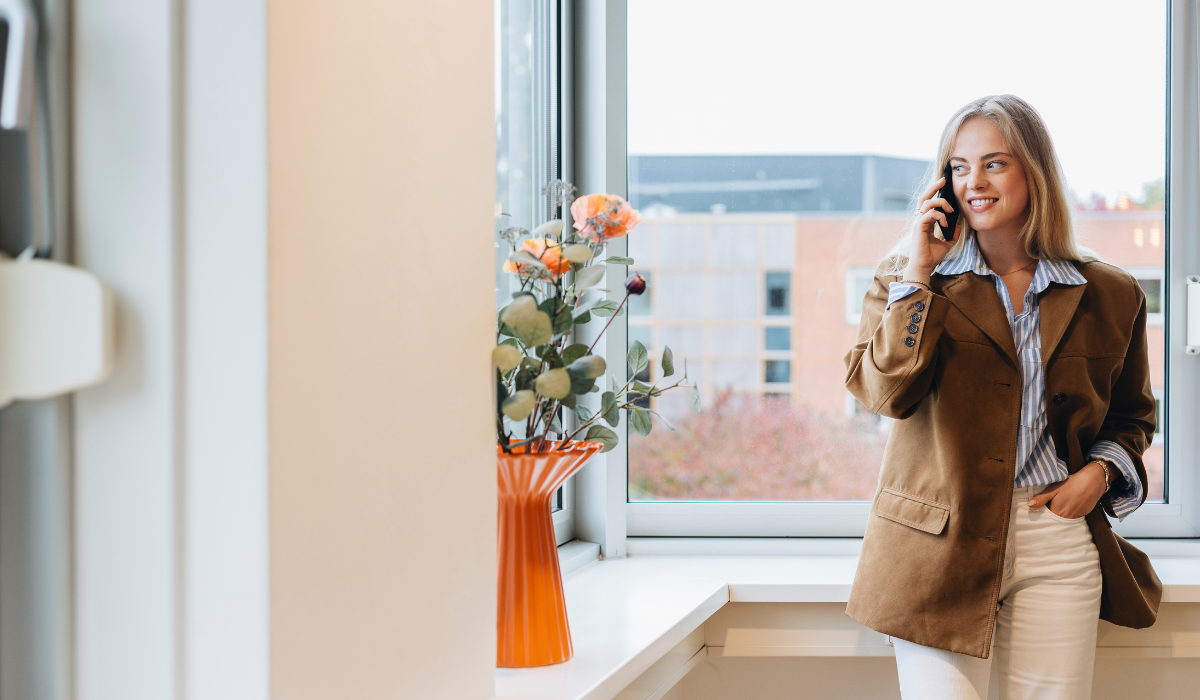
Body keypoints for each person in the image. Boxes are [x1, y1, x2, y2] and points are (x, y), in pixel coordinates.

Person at [843, 94, 1160, 700]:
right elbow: (884, 392)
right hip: (937, 542)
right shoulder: (906, 279)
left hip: (1056, 537)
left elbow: (1132, 416)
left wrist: (1098, 473)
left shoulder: (1110, 293)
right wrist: (920, 274)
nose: (973, 183)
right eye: (959, 167)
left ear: (1033, 173)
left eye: (995, 164)